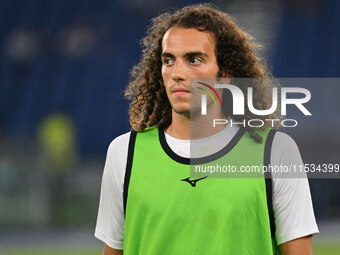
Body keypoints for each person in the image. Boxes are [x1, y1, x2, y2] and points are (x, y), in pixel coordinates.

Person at [95, 4, 319, 255]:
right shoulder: (124, 153)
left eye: (194, 59)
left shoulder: (275, 152)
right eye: (168, 60)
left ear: (224, 74)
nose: (177, 73)